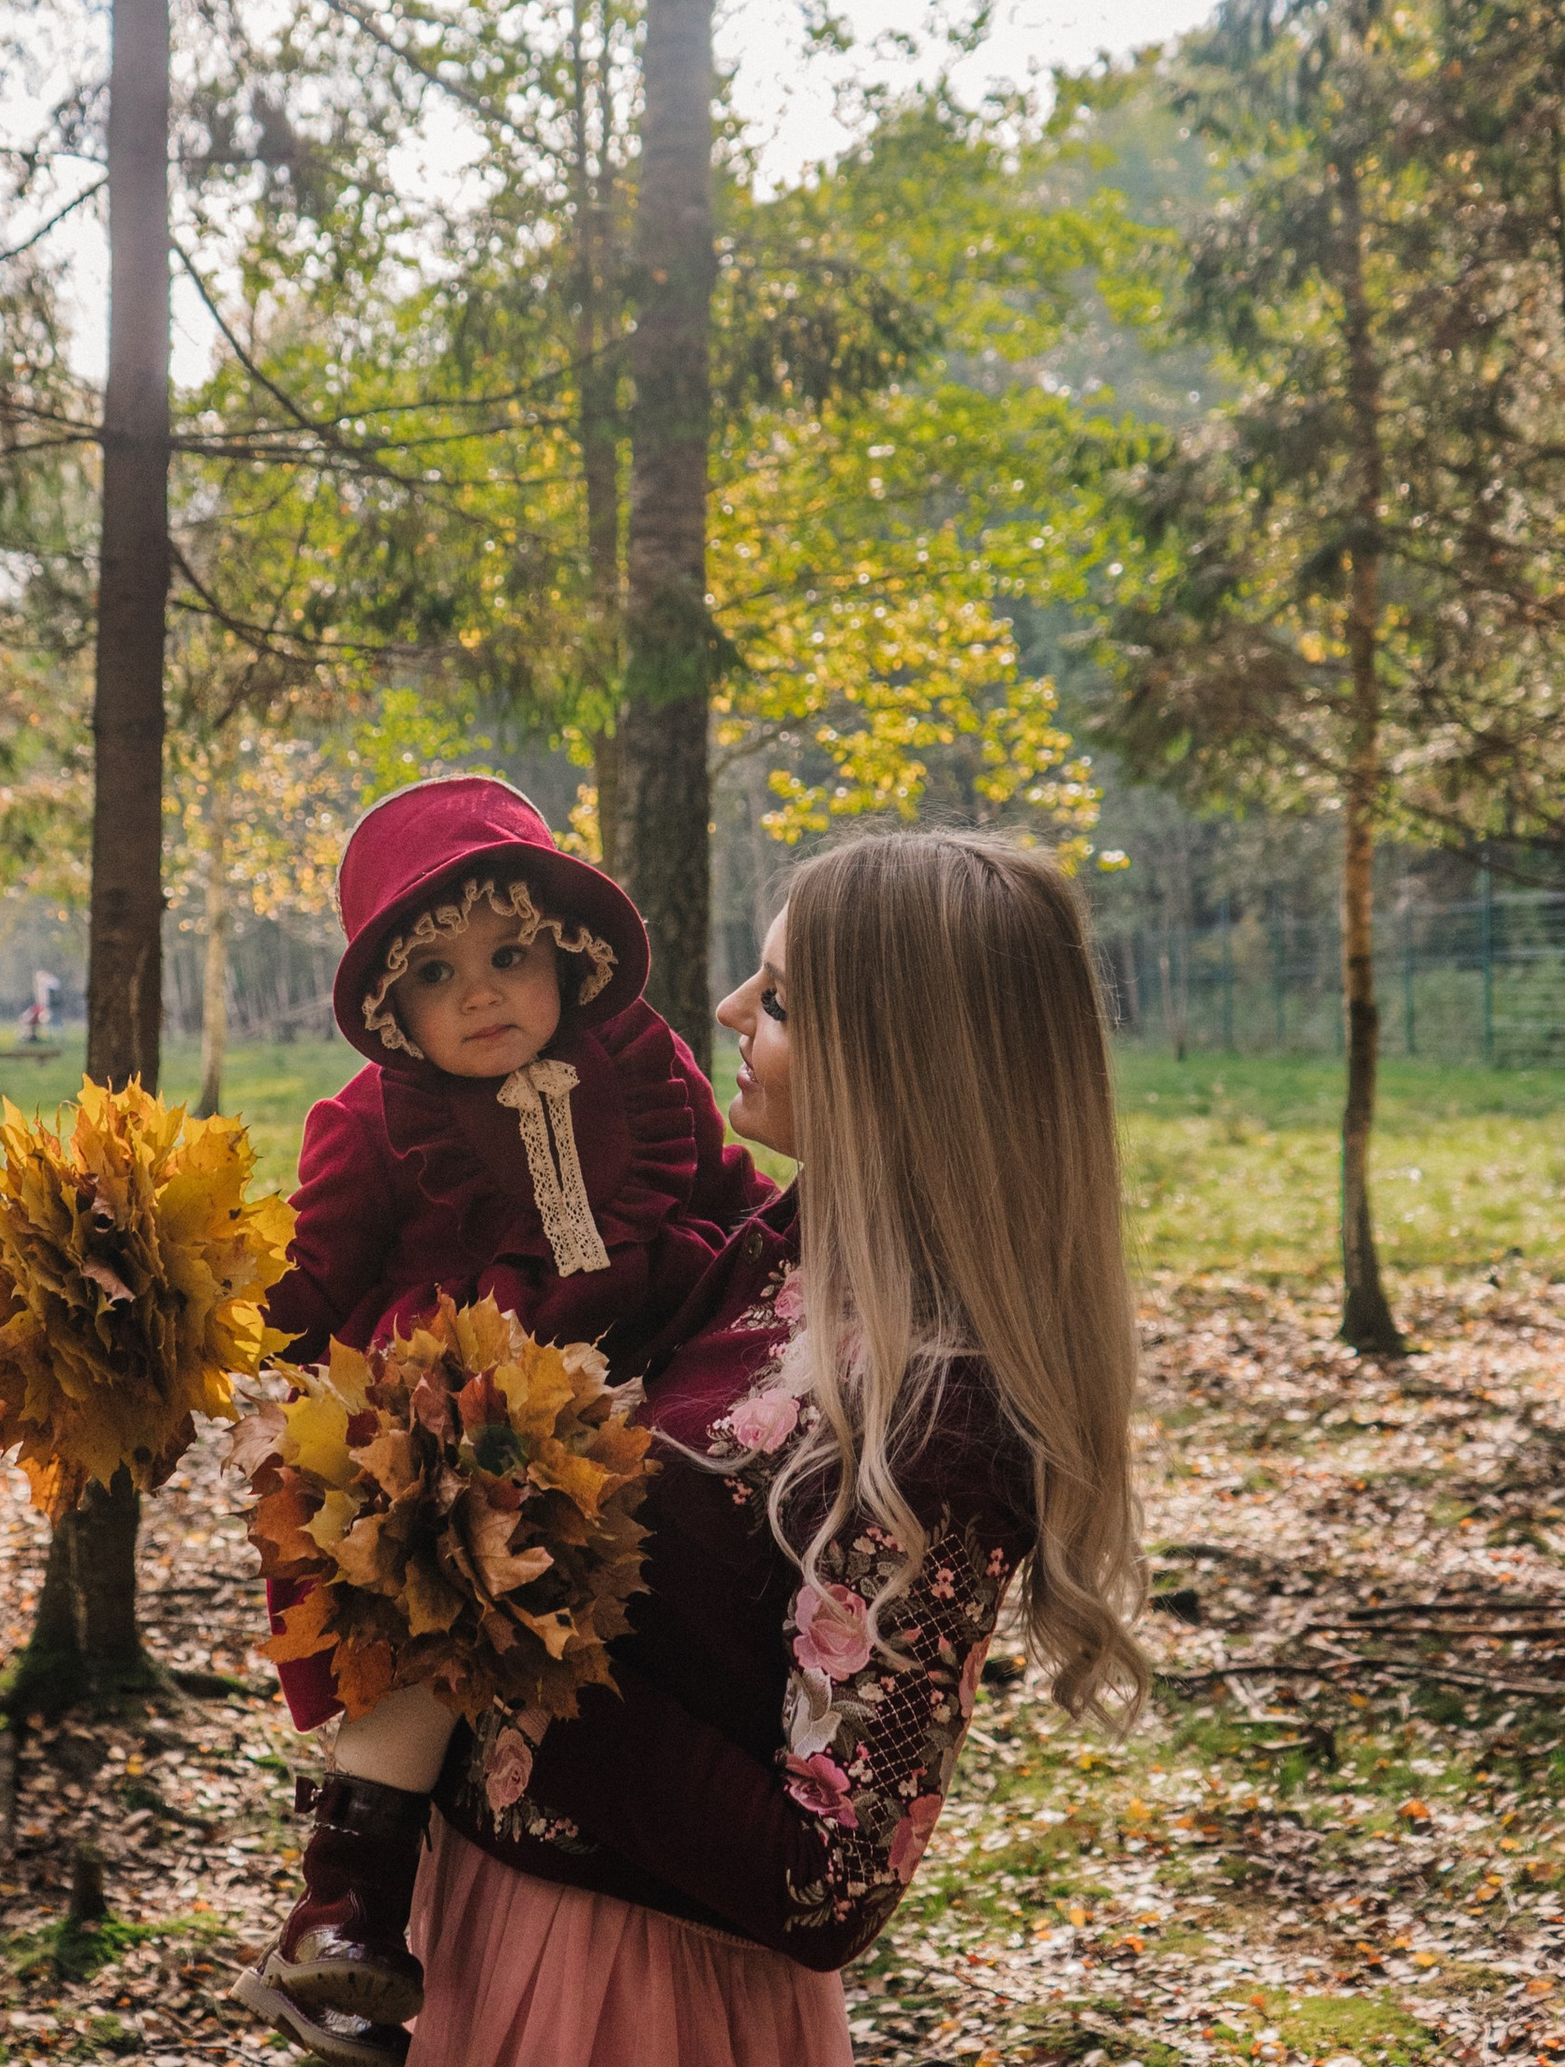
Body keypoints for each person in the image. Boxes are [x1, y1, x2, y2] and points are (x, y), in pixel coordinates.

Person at [408, 829, 1149, 2067]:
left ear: (907, 1061)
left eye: (784, 999)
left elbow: (830, 1881)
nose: (731, 1008)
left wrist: (502, 1643)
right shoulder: (784, 1240)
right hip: (494, 1922)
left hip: (630, 1996)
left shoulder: (940, 1417)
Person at [236, 776, 776, 2064]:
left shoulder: (642, 1063)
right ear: (388, 1007)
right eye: (436, 971)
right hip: (468, 1424)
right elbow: (310, 1275)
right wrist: (226, 1314)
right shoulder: (370, 1123)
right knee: (430, 1610)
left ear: (568, 955)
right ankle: (347, 1898)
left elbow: (732, 1188)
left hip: (653, 1389)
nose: (482, 992)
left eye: (509, 954)